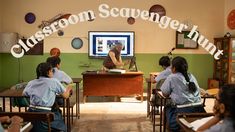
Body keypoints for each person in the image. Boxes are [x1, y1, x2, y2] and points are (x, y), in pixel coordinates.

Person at [23, 62, 72, 132]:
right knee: (62, 126)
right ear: (48, 72)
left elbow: (24, 94)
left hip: (31, 113)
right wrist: (69, 89)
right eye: (52, 71)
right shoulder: (54, 81)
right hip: (45, 114)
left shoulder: (32, 82)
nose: (52, 73)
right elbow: (65, 96)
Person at [160, 56, 205, 132]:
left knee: (166, 109)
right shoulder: (191, 76)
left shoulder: (171, 77)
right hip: (199, 109)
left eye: (171, 67)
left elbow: (165, 94)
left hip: (183, 111)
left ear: (174, 68)